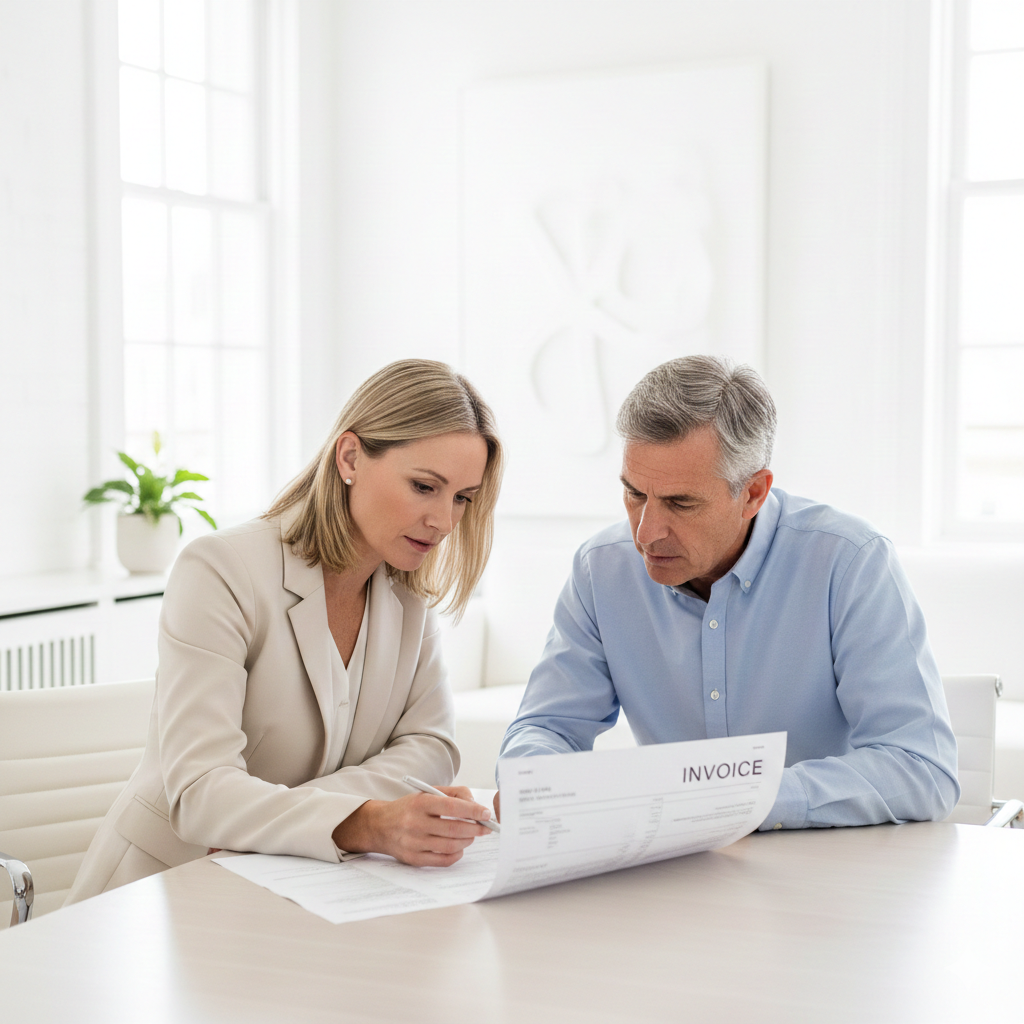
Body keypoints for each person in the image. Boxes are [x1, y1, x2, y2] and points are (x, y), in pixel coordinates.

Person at [68, 359, 503, 904]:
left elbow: (431, 747)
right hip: (161, 892)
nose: (443, 520)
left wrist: (321, 816)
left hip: (299, 889)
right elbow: (202, 793)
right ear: (350, 457)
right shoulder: (221, 569)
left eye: (462, 497)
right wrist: (364, 822)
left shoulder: (408, 592)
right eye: (423, 486)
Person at [497, 355, 959, 830]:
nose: (646, 533)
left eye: (681, 503)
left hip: (825, 863)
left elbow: (922, 769)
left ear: (754, 493)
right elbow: (545, 728)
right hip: (671, 869)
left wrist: (742, 800)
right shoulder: (602, 569)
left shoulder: (849, 562)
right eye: (635, 494)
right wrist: (532, 784)